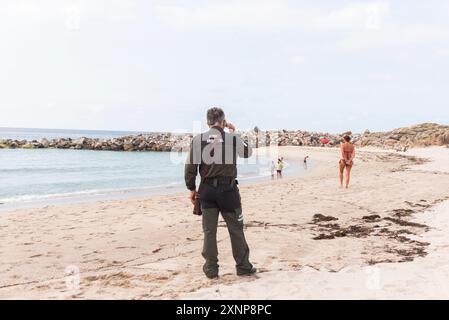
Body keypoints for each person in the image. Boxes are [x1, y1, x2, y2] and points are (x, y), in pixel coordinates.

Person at [185, 107, 256, 279]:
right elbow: (248, 152)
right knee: (236, 230)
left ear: (207, 122)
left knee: (209, 232)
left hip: (207, 191)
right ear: (223, 122)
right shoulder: (232, 138)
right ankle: (243, 267)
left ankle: (211, 270)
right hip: (228, 191)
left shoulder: (198, 140)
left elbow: (190, 169)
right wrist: (235, 133)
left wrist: (192, 189)